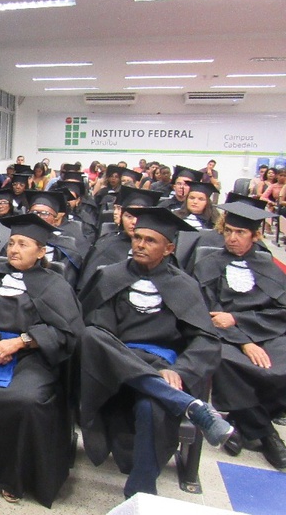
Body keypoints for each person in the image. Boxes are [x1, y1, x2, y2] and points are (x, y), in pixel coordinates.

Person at [78, 207, 232, 498]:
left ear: (169, 248)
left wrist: (180, 370)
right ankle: (188, 404)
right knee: (90, 336)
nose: (140, 244)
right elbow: (96, 327)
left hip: (162, 366)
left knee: (152, 406)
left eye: (150, 240)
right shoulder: (109, 276)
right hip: (113, 365)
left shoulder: (184, 285)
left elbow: (206, 340)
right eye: (137, 237)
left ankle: (141, 488)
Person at [0, 213, 83, 506]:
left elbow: (66, 332)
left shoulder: (55, 285)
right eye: (11, 243)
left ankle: (17, 473)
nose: (14, 249)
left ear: (41, 251)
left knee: (26, 399)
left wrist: (19, 342)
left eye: (23, 244)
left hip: (33, 354)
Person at [192, 201, 286, 468]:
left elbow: (282, 311)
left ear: (255, 236)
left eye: (240, 232)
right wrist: (244, 342)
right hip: (225, 335)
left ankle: (240, 420)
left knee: (280, 363)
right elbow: (207, 310)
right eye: (229, 231)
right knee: (223, 359)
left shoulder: (269, 267)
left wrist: (240, 320)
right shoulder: (208, 265)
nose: (232, 238)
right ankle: (266, 433)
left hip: (265, 330)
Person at [76, 186, 161, 292]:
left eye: (140, 217)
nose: (134, 222)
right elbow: (87, 288)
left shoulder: (159, 249)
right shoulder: (106, 245)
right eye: (129, 216)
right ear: (121, 217)